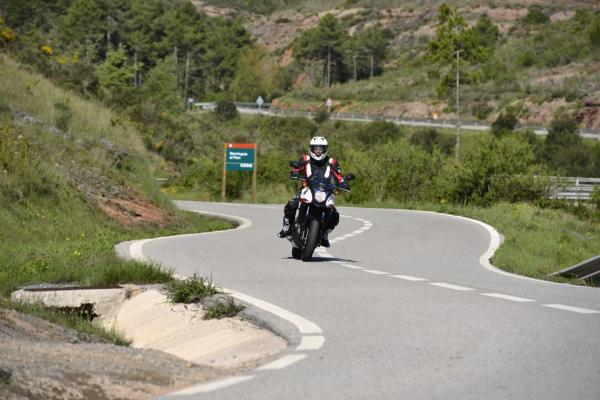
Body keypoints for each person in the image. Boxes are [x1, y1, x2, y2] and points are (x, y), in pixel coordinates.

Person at [277, 136, 349, 248]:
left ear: (325, 149)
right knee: (292, 204)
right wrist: (294, 172)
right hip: (307, 189)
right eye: (316, 149)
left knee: (334, 215)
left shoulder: (332, 162)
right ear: (312, 149)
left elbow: (338, 176)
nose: (318, 151)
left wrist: (343, 182)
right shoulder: (305, 159)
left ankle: (324, 235)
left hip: (325, 191)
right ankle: (287, 227)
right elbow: (297, 168)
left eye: (321, 149)